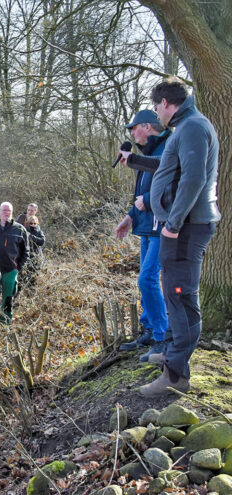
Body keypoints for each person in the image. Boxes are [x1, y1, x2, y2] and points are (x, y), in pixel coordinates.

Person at [136, 79, 220, 397]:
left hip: (186, 227)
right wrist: (136, 161)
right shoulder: (184, 128)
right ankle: (171, 352)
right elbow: (169, 167)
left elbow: (194, 177)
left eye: (157, 107)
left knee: (182, 297)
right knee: (173, 292)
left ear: (167, 103)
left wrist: (173, 222)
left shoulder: (193, 127)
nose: (156, 113)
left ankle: (175, 375)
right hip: (181, 226)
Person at [114, 109, 172, 363]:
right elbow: (141, 191)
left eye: (133, 128)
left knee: (147, 279)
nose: (131, 133)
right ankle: (149, 328)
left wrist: (146, 202)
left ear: (147, 126)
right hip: (146, 226)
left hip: (162, 225)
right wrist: (130, 217)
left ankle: (162, 336)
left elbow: (172, 185)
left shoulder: (168, 147)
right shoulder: (147, 153)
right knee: (145, 278)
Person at [0, 202, 29, 324]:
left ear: (12, 212)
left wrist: (17, 267)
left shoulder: (19, 229)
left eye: (9, 211)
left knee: (8, 299)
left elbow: (26, 251)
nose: (6, 213)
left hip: (10, 270)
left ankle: (5, 324)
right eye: (4, 210)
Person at [21, 215, 46, 291]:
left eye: (34, 223)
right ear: (28, 223)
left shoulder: (39, 232)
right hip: (26, 257)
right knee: (24, 276)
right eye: (31, 223)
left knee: (35, 276)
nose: (33, 225)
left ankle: (32, 291)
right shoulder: (24, 231)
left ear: (37, 223)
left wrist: (31, 236)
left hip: (36, 257)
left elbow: (42, 241)